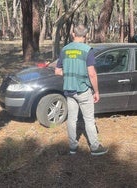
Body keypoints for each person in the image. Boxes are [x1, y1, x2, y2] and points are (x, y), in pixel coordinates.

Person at [55, 24, 108, 156]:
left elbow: (57, 71)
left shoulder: (65, 50)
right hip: (83, 91)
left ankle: (73, 147)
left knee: (72, 119)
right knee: (89, 119)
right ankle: (95, 148)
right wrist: (96, 92)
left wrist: (69, 74)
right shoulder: (87, 50)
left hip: (69, 90)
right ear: (86, 36)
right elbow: (92, 74)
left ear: (73, 34)